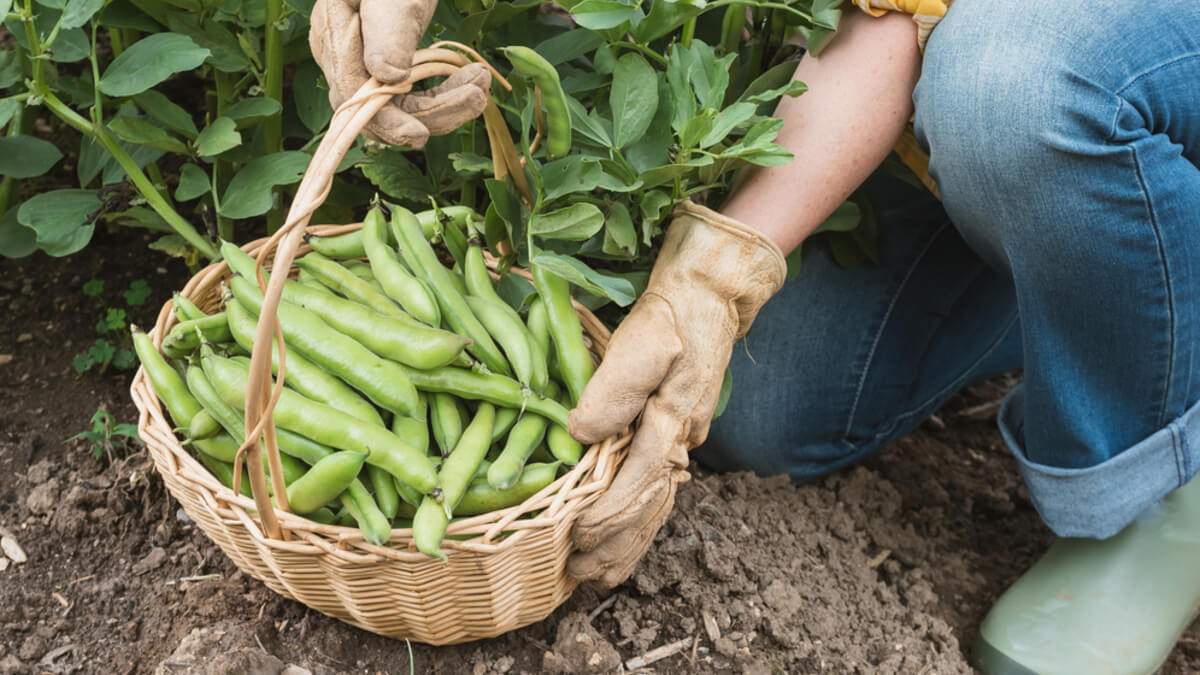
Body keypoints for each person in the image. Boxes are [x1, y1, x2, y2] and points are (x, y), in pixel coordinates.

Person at [309, 0, 1200, 671]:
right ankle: (1110, 249)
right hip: (933, 86)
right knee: (765, 412)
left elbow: (890, 24)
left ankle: (1160, 479)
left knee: (1017, 91)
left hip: (1062, 47)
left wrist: (714, 273)